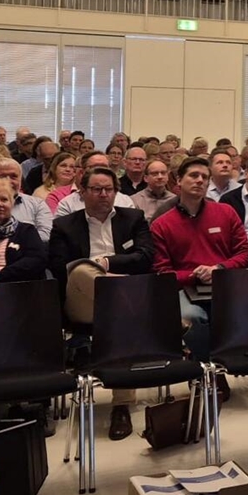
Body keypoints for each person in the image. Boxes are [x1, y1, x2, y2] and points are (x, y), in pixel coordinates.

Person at [48, 166, 154, 440]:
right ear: (82, 192)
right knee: (82, 271)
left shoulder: (133, 218)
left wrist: (107, 264)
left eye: (109, 189)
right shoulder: (65, 225)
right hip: (81, 300)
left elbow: (145, 257)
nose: (103, 194)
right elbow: (61, 268)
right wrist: (100, 273)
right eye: (96, 189)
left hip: (122, 298)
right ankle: (148, 317)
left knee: (119, 323)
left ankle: (121, 406)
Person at [152, 157, 248, 370]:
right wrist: (194, 275)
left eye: (204, 177)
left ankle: (210, 369)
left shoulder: (225, 212)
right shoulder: (162, 223)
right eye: (193, 176)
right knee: (192, 317)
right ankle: (210, 371)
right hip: (185, 287)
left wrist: (219, 268)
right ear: (178, 180)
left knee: (244, 310)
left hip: (223, 282)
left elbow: (244, 253)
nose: (199, 181)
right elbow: (162, 273)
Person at [53, 152, 136, 217]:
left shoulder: (125, 202)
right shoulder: (67, 204)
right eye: (94, 167)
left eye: (104, 167)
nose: (100, 171)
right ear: (82, 172)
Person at [130, 159, 177, 223]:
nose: (160, 177)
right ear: (146, 178)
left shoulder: (175, 200)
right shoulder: (134, 200)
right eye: (155, 174)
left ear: (167, 177)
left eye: (163, 173)